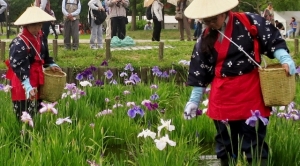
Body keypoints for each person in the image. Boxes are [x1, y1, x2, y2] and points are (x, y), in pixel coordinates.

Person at [183, 0, 296, 165]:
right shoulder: (205, 38)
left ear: (224, 12)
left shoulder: (249, 21)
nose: (210, 24)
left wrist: (284, 57)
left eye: (213, 19)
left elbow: (271, 38)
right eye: (206, 21)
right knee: (224, 142)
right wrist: (194, 99)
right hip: (222, 95)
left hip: (250, 90)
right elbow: (200, 69)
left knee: (253, 139)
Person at [5, 6, 61, 120]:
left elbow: (44, 56)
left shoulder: (41, 36)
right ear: (27, 25)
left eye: (40, 24)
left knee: (36, 113)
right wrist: (27, 85)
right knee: (24, 115)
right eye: (34, 25)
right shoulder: (19, 42)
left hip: (37, 77)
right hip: (23, 80)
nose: (38, 28)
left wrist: (52, 65)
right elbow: (18, 65)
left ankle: (36, 136)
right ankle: (23, 136)